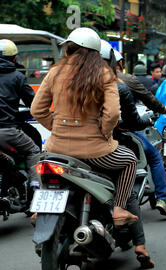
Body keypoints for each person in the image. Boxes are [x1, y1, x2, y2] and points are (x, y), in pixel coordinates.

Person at [30, 27, 138, 227]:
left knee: (43, 164)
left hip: (57, 149)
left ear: (70, 50)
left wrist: (57, 128)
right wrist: (103, 133)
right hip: (96, 152)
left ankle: (41, 207)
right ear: (95, 53)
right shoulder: (105, 74)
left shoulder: (55, 72)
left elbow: (37, 109)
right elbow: (113, 114)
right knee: (130, 160)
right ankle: (119, 208)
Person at [100, 40, 155, 268]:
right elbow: (119, 119)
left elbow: (38, 110)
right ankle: (140, 244)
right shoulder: (116, 85)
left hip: (57, 147)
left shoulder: (64, 81)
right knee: (130, 168)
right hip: (100, 146)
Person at [114, 50, 166, 216]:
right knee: (154, 157)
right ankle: (162, 198)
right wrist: (162, 109)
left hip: (88, 138)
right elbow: (147, 101)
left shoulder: (76, 80)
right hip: (119, 132)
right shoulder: (123, 81)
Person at [0, 39, 40, 201]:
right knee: (33, 151)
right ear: (14, 59)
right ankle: (35, 189)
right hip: (8, 131)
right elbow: (34, 104)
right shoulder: (17, 77)